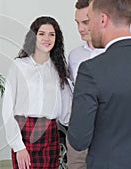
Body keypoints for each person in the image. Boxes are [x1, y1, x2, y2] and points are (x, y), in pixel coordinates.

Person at [2, 16, 72, 169]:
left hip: (51, 134)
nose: (47, 38)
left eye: (52, 34)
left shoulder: (58, 70)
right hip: (25, 134)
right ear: (34, 36)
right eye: (42, 33)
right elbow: (7, 109)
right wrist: (18, 146)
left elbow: (67, 110)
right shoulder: (19, 66)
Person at [68, 0, 131, 168]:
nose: (85, 28)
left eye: (89, 19)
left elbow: (79, 139)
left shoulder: (91, 70)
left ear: (102, 20)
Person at [66, 0, 104, 168]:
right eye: (78, 23)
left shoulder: (116, 54)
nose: (81, 28)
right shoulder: (74, 57)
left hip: (108, 132)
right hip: (79, 132)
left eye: (86, 22)